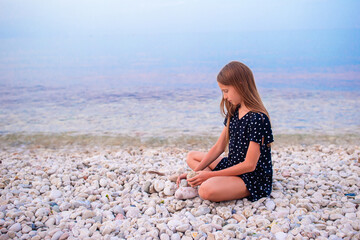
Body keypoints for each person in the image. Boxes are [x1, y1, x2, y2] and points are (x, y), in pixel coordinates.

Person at [176, 61, 274, 202]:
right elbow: (218, 147)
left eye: (226, 91)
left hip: (251, 176)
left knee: (205, 190)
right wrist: (195, 172)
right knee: (192, 156)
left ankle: (219, 182)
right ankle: (218, 180)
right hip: (232, 165)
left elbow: (249, 165)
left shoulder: (258, 118)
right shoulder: (234, 112)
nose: (225, 96)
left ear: (240, 85)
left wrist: (208, 176)